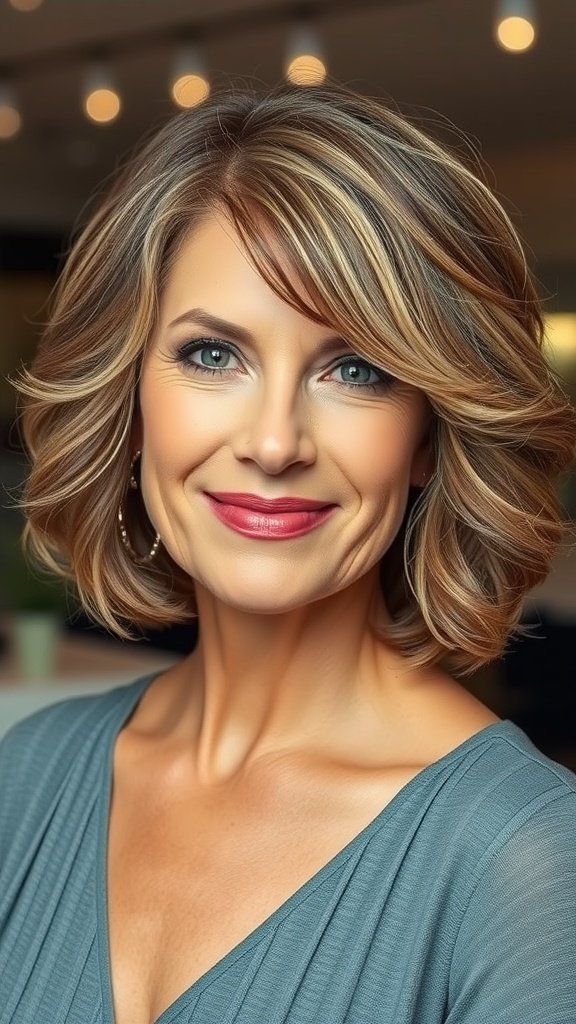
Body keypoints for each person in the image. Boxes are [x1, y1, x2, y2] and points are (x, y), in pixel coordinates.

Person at [1, 79, 575, 1024]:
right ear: (131, 400)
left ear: (428, 434)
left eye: (357, 369)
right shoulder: (31, 774)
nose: (274, 443)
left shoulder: (522, 859)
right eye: (212, 355)